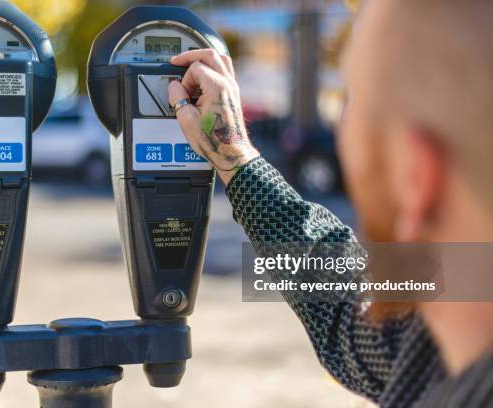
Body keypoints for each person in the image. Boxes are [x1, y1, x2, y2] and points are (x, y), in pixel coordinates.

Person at [167, 0, 493, 407]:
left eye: (351, 96)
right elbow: (349, 311)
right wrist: (237, 159)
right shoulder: (435, 337)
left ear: (412, 177)